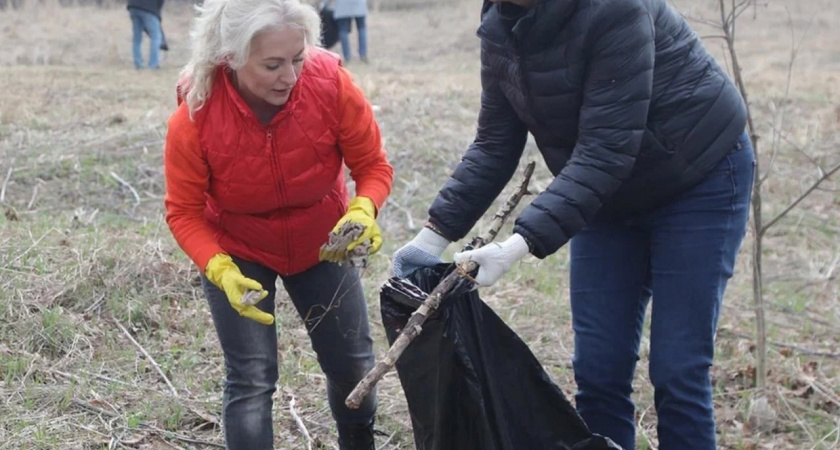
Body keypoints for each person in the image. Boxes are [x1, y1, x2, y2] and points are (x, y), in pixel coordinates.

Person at [392, 0, 754, 449]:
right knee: (599, 370)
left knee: (678, 370)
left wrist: (518, 244)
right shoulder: (503, 23)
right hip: (605, 196)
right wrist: (432, 237)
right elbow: (495, 142)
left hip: (697, 179)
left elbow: (605, 150)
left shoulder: (616, 10)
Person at [163, 0, 393, 448]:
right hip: (239, 247)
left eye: (298, 59)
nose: (290, 77)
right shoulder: (196, 113)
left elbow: (373, 166)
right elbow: (184, 211)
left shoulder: (331, 85)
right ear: (229, 57)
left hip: (323, 241)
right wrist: (218, 268)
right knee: (250, 379)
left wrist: (364, 207)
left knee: (353, 367)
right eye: (272, 65)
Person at [127, 0, 164, 69]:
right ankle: (153, 64)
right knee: (156, 37)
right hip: (149, 9)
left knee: (137, 38)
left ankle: (138, 63)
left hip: (134, 7)